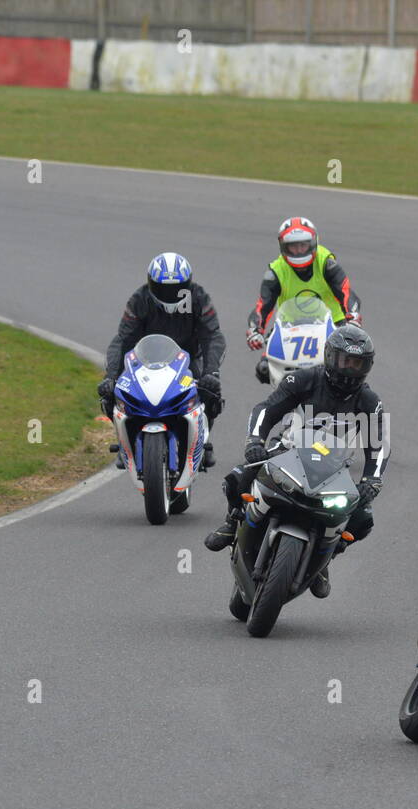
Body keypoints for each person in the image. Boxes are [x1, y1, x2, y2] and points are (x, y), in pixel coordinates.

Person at [203, 325, 387, 599]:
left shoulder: (369, 401)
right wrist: (255, 442)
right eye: (344, 361)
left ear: (366, 366)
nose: (348, 369)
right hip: (289, 449)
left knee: (363, 518)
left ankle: (327, 558)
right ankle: (233, 522)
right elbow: (267, 409)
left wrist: (372, 480)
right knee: (239, 475)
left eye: (356, 363)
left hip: (335, 468)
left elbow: (378, 447)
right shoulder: (305, 379)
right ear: (329, 356)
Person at [97, 253, 226, 467]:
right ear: (151, 284)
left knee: (211, 391)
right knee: (111, 394)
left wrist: (211, 372)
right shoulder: (140, 299)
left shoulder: (199, 297)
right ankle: (124, 442)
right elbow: (123, 339)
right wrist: (111, 376)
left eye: (177, 288)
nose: (171, 294)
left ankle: (203, 441)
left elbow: (213, 335)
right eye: (164, 289)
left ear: (188, 283)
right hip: (145, 359)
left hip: (189, 359)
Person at [246, 217, 361, 381]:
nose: (299, 251)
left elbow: (346, 292)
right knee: (264, 370)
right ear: (283, 247)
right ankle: (282, 404)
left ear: (313, 242)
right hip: (290, 328)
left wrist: (353, 317)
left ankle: (358, 403)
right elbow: (262, 307)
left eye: (303, 245)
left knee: (352, 366)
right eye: (293, 246)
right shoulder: (276, 271)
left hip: (333, 326)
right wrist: (255, 330)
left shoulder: (326, 262)